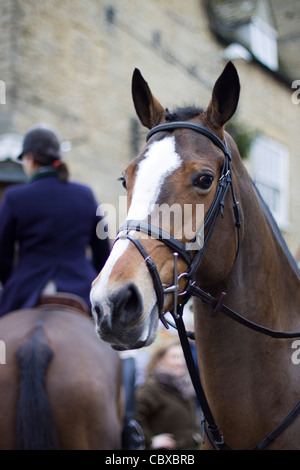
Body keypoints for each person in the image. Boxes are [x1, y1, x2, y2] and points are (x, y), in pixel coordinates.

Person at [0, 124, 110, 316]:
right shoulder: (85, 194)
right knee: (111, 341)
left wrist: (15, 281)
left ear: (29, 159)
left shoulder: (14, 196)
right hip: (81, 288)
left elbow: (2, 256)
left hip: (25, 289)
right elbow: (103, 253)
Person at [134, 338, 202, 450]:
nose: (180, 362)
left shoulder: (185, 387)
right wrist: (149, 441)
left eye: (182, 357)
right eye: (174, 357)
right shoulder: (151, 388)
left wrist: (196, 435)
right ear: (160, 360)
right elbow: (134, 417)